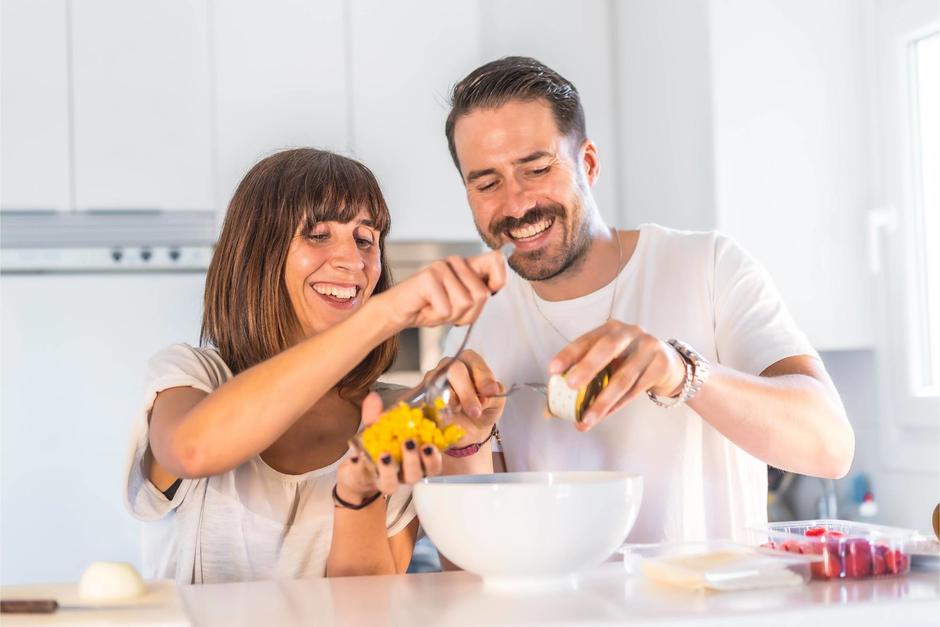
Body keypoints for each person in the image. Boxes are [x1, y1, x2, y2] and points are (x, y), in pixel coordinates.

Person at [433, 57, 854, 543]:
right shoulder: (478, 324)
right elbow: (470, 563)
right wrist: (465, 443)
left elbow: (831, 447)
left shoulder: (709, 266)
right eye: (487, 183)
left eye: (536, 168)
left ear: (587, 164)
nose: (516, 204)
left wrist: (681, 372)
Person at [122, 148, 506, 583]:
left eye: (366, 239)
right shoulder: (192, 378)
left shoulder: (398, 419)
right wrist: (383, 316)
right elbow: (193, 451)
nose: (354, 260)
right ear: (257, 252)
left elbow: (366, 607)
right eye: (318, 234)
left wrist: (369, 488)